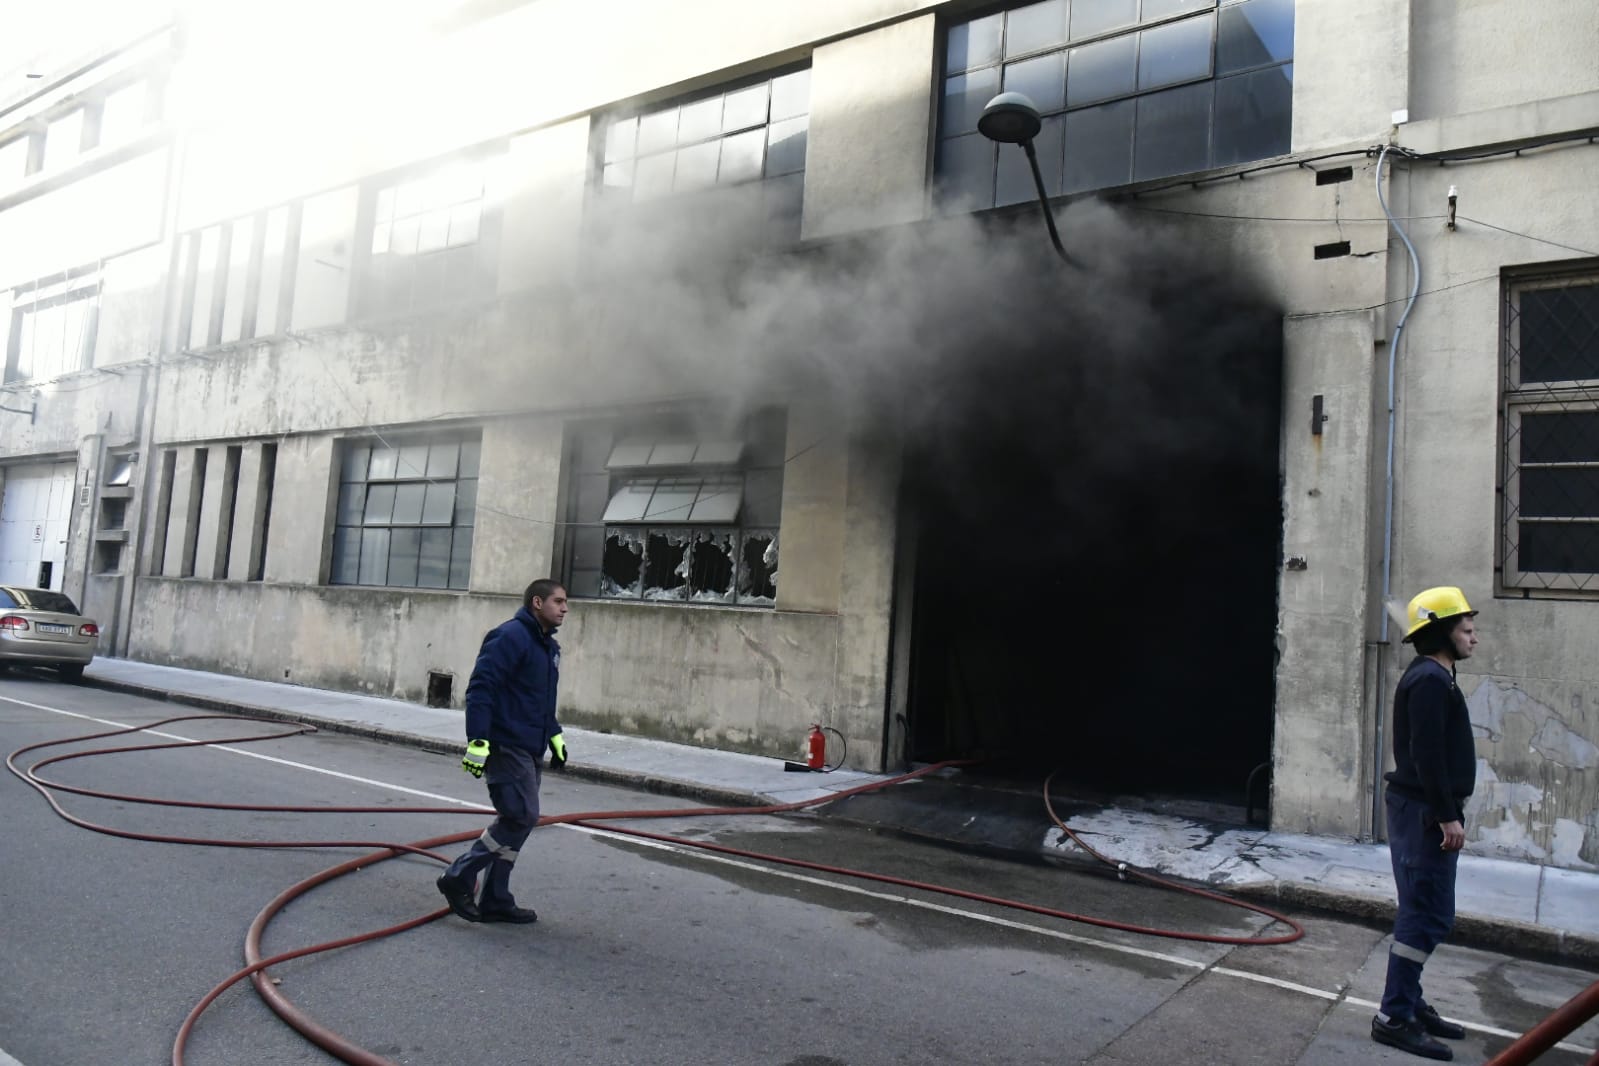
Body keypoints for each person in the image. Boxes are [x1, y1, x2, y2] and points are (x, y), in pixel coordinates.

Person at [1371, 586, 1479, 1061]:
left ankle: (1410, 1003)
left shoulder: (1436, 676)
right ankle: (1394, 1016)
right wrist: (1446, 816)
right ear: (1441, 633)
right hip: (1424, 814)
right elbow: (1427, 756)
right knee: (1427, 914)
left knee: (1422, 910)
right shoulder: (1431, 682)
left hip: (1422, 811)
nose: (1474, 637)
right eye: (1466, 629)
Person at [436, 579, 570, 924]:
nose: (565, 608)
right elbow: (482, 688)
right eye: (558, 601)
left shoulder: (547, 648)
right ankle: (458, 875)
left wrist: (554, 735)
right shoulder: (510, 637)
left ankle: (496, 897)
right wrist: (478, 740)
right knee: (521, 816)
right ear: (537, 602)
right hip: (505, 743)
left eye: (566, 602)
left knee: (517, 821)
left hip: (529, 746)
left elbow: (539, 701)